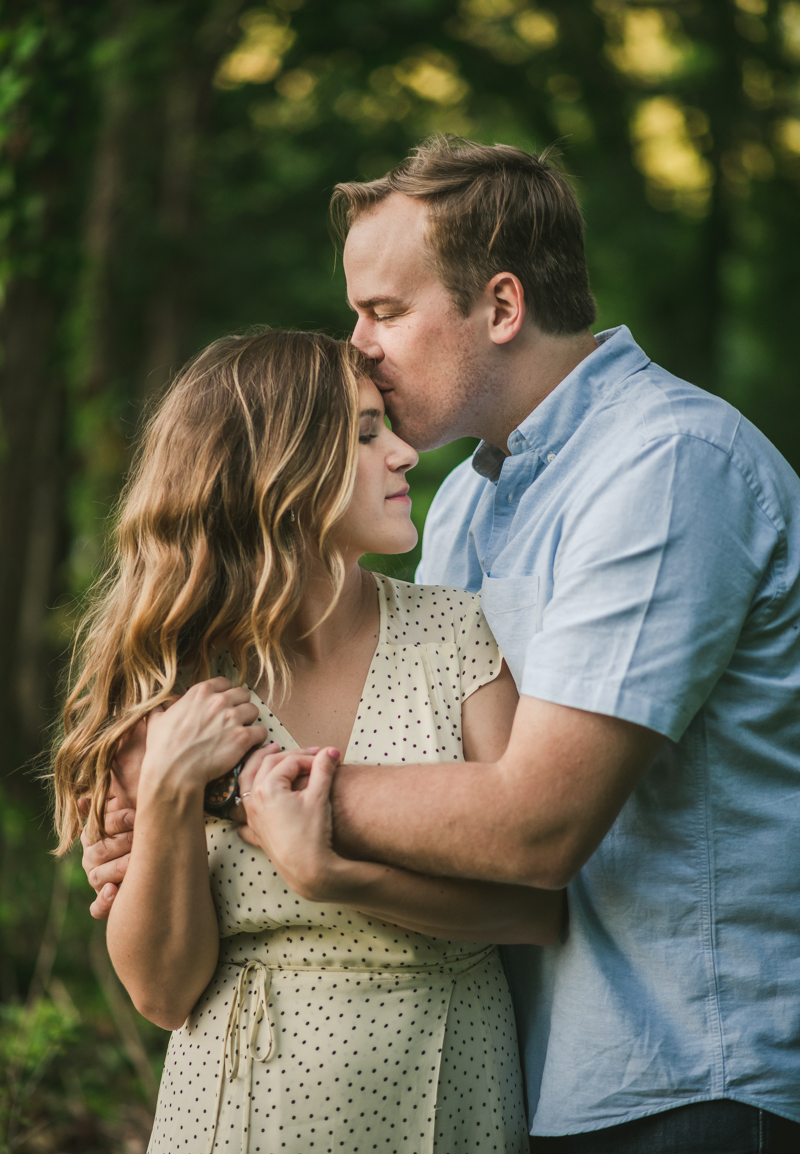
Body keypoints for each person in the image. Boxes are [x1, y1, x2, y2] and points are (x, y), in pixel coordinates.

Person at [82, 136, 800, 1152]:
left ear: (501, 308)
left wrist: (222, 786)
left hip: (686, 1068)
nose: (359, 345)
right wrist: (161, 826)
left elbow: (533, 823)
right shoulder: (463, 502)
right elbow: (426, 765)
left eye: (383, 311)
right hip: (533, 1068)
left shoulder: (667, 466)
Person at [56, 328, 562, 1154]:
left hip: (449, 1098)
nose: (403, 453)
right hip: (239, 1115)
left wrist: (335, 875)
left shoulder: (459, 638)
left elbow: (538, 908)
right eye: (364, 435)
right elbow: (162, 991)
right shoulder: (170, 692)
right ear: (273, 470)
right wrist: (172, 791)